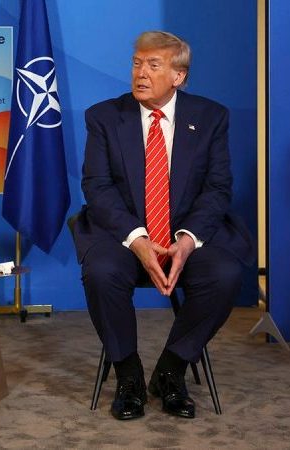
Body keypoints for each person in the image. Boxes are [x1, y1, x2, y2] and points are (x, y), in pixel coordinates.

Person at [73, 31, 254, 420]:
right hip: (123, 236)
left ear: (178, 76)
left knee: (224, 274)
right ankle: (129, 375)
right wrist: (138, 240)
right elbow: (97, 187)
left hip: (185, 235)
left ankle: (171, 369)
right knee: (101, 272)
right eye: (137, 63)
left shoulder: (210, 117)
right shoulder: (104, 117)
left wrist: (186, 241)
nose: (141, 73)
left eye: (153, 65)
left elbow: (218, 188)